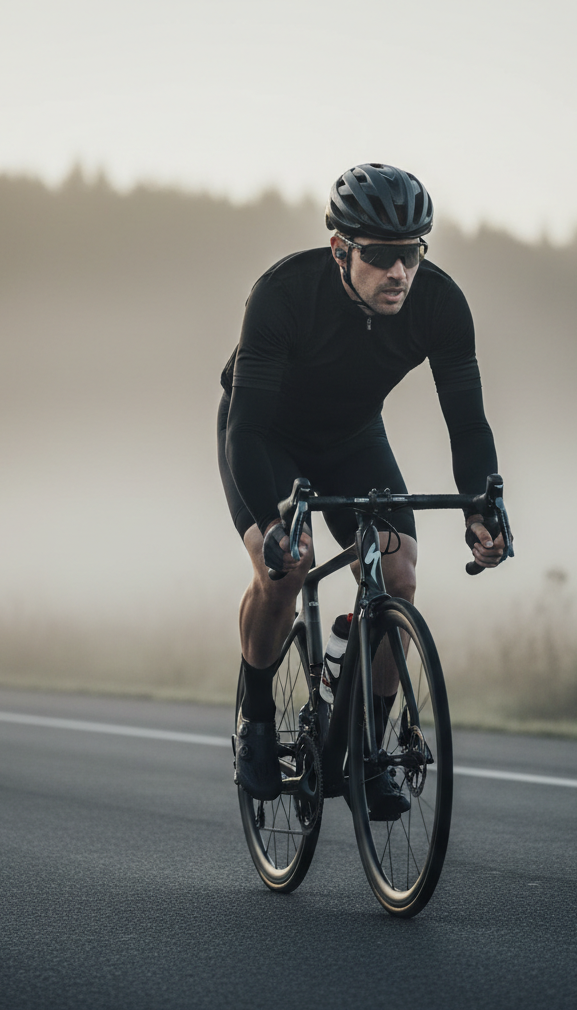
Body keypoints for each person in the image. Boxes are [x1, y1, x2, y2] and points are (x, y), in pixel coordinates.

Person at [217, 162, 507, 817]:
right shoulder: (283, 295)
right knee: (285, 570)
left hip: (351, 438)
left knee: (399, 575)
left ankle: (368, 749)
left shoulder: (440, 304)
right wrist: (273, 526)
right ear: (340, 250)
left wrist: (481, 510)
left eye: (411, 254)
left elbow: (468, 423)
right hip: (265, 436)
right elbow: (246, 429)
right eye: (379, 255)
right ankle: (256, 721)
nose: (398, 271)